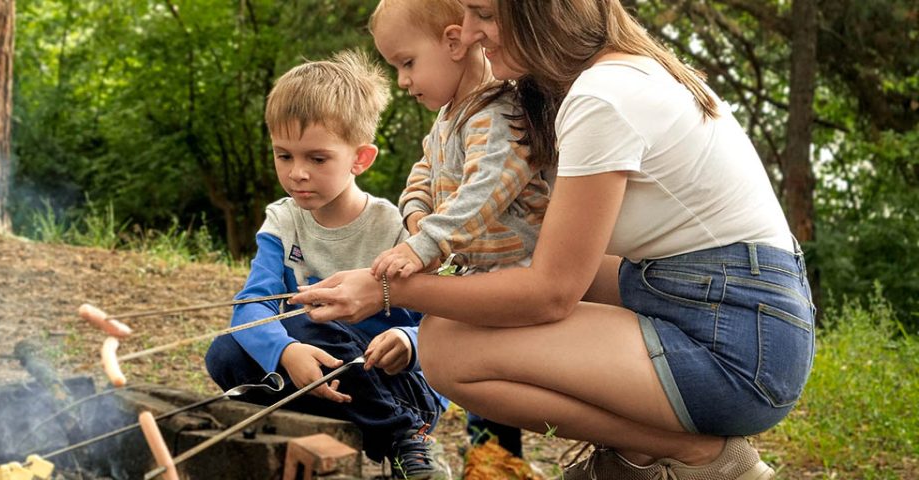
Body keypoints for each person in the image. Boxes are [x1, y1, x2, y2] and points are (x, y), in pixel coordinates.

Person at [291, 1, 815, 479]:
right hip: (735, 312)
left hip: (740, 352)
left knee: (446, 346)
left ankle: (683, 454)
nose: (471, 33)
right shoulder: (608, 79)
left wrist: (390, 291)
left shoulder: (602, 97)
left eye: (485, 15)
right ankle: (649, 456)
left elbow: (551, 292)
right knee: (478, 308)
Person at [203, 50, 450, 480]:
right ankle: (316, 430)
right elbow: (252, 306)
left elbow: (440, 318)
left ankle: (406, 435)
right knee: (226, 351)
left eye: (317, 159)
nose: (297, 173)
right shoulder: (283, 221)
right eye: (284, 156)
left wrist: (409, 341)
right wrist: (285, 350)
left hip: (398, 384)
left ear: (360, 159)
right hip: (321, 370)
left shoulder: (396, 227)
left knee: (306, 321)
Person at [368, 0, 557, 468]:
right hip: (483, 272)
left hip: (525, 275)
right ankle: (493, 463)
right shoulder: (448, 118)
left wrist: (427, 243)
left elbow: (486, 191)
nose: (402, 81)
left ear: (454, 42)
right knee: (476, 378)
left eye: (407, 63)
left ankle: (495, 463)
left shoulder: (497, 113)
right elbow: (422, 174)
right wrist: (416, 219)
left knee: (484, 371)